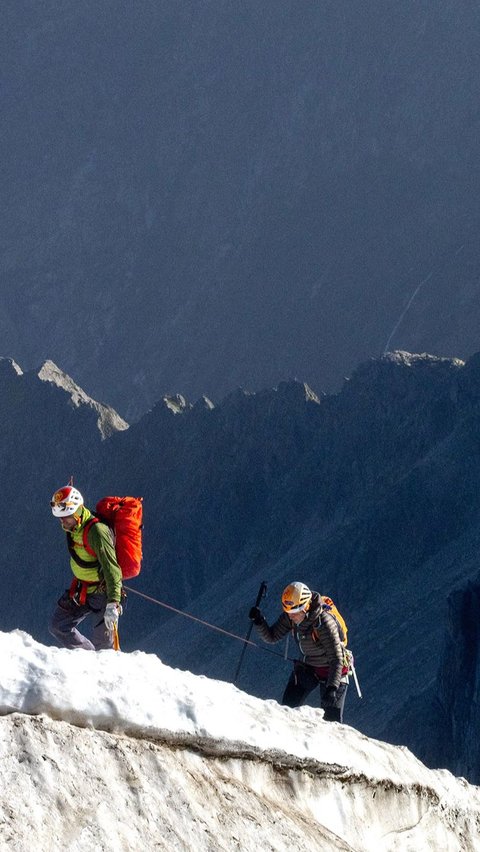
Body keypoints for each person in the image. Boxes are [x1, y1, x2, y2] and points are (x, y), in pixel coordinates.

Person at [249, 581, 349, 722]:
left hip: (333, 672)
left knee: (332, 721)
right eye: (288, 612)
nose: (290, 616)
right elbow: (272, 636)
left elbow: (336, 658)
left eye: (294, 613)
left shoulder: (324, 623)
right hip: (309, 667)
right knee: (287, 709)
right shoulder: (292, 615)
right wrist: (259, 621)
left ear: (305, 607)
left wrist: (332, 688)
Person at [49, 485, 123, 651]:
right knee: (58, 626)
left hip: (102, 594)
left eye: (65, 517)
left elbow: (112, 569)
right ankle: (89, 660)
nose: (62, 521)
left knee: (105, 649)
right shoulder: (73, 527)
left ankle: (106, 672)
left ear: (77, 512)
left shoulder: (97, 532)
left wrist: (113, 603)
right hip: (81, 590)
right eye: (60, 517)